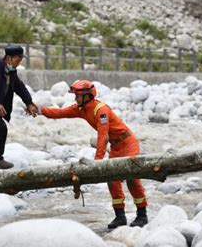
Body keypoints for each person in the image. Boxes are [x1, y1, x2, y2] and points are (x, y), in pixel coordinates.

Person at [40, 79, 149, 229]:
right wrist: (40, 110)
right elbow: (60, 112)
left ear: (86, 96)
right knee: (112, 181)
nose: (75, 98)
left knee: (132, 179)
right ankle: (120, 217)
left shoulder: (101, 110)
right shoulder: (81, 109)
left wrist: (97, 162)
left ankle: (142, 215)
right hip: (116, 147)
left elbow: (103, 137)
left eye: (77, 95)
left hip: (128, 144)